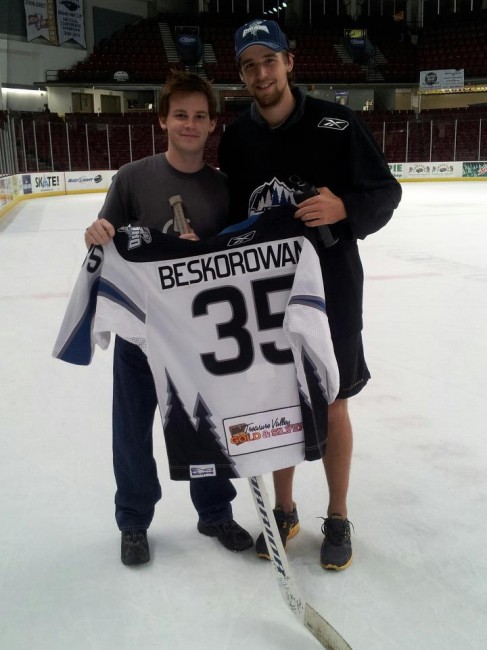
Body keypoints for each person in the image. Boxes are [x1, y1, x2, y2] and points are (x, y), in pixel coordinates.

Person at [218, 19, 402, 571]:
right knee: (279, 401)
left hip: (333, 291)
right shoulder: (237, 138)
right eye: (249, 65)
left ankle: (339, 514)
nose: (261, 73)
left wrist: (346, 207)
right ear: (242, 74)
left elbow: (385, 191)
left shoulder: (338, 122)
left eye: (269, 60)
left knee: (333, 401)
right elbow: (231, 219)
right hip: (264, 295)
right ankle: (284, 509)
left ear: (289, 61)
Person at [84, 72, 253, 566]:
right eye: (180, 114)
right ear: (163, 119)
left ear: (212, 123)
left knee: (203, 425)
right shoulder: (132, 178)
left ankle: (215, 509)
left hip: (197, 337)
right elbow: (105, 239)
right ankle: (134, 521)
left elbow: (237, 257)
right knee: (132, 429)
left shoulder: (223, 188)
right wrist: (95, 232)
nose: (190, 123)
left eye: (200, 115)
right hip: (140, 333)